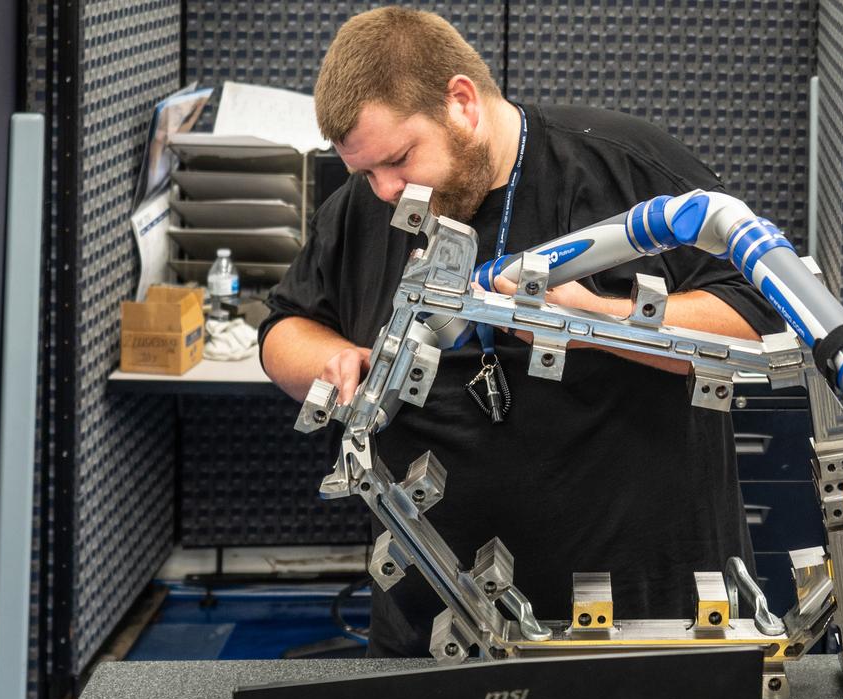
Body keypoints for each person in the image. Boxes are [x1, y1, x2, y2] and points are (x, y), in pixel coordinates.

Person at [260, 6, 784, 657]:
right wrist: (332, 358)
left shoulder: (624, 169)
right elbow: (284, 328)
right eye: (366, 172)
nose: (387, 192)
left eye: (398, 159)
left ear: (461, 103)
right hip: (436, 628)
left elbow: (761, 328)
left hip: (641, 626)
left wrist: (599, 323)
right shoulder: (368, 203)